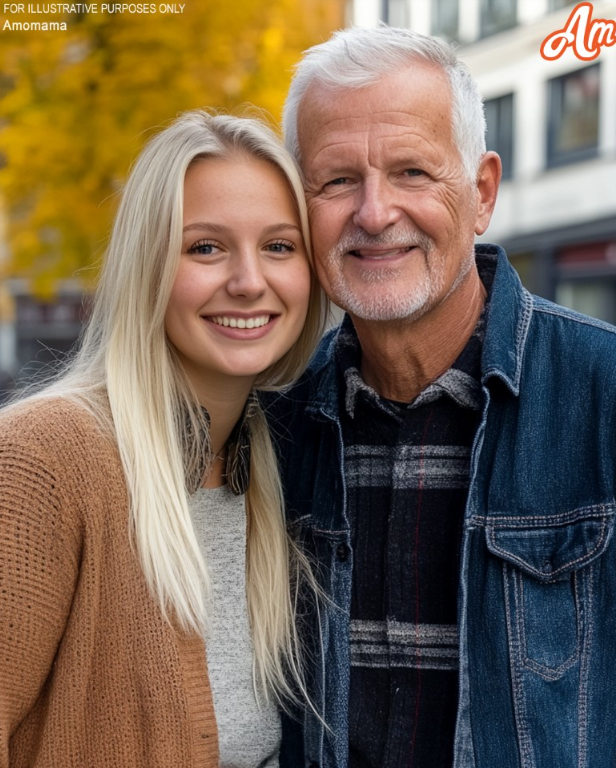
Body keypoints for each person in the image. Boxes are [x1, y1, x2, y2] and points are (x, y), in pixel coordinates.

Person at [270, 24, 616, 768]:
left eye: (412, 173)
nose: (373, 213)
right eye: (336, 181)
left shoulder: (603, 393)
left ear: (481, 192)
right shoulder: (275, 429)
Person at [0, 110, 326, 768]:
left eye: (280, 246)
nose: (249, 280)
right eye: (205, 247)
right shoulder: (44, 458)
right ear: (147, 266)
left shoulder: (277, 463)